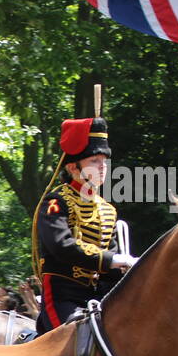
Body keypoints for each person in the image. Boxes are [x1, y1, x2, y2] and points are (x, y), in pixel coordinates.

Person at [32, 114, 135, 333]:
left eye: (104, 162)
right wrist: (111, 259)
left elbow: (112, 266)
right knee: (75, 340)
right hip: (64, 296)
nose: (102, 167)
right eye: (94, 161)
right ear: (73, 168)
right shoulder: (56, 201)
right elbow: (62, 246)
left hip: (100, 296)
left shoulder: (108, 210)